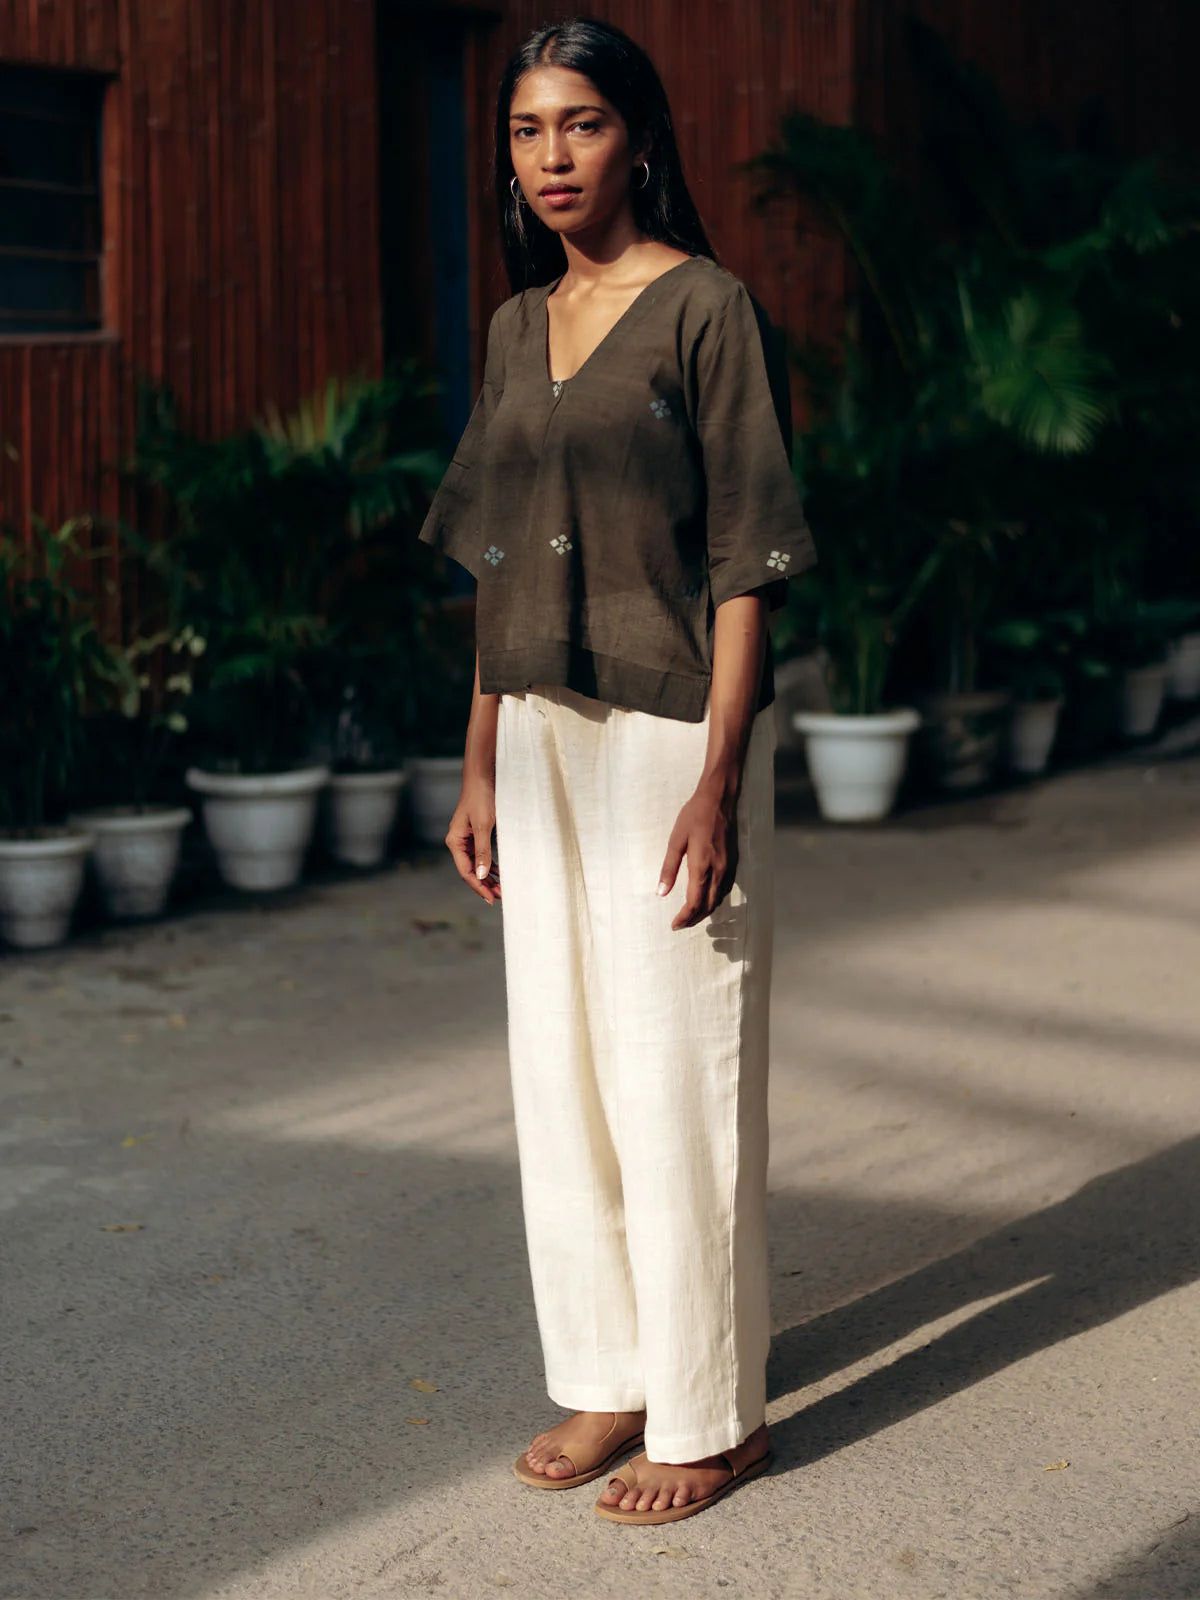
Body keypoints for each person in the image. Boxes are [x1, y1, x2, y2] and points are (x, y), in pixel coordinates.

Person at [417, 16, 816, 1526]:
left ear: (638, 136)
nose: (552, 156)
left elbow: (746, 561)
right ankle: (609, 1373)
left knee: (677, 1063)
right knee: (563, 1063)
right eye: (527, 130)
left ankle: (711, 1413)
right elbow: (496, 561)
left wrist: (719, 778)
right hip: (536, 731)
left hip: (668, 732)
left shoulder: (708, 309)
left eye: (580, 123)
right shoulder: (518, 327)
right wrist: (478, 760)